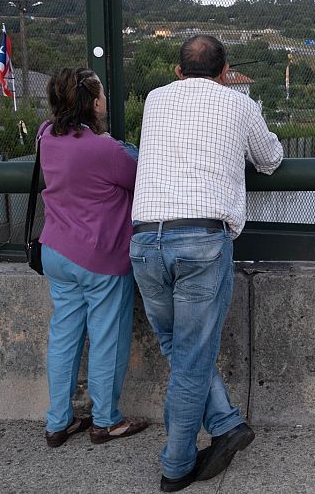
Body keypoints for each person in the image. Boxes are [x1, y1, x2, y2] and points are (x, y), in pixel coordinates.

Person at [130, 35, 283, 491]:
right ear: (225, 71)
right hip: (200, 239)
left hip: (143, 240)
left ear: (178, 71)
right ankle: (176, 466)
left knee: (177, 347)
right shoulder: (237, 103)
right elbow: (271, 159)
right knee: (192, 357)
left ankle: (227, 423)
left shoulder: (155, 99)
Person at [40, 67, 148, 448]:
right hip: (100, 257)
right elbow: (139, 172)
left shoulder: (45, 136)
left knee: (64, 336)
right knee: (106, 337)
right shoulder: (104, 149)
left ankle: (58, 423)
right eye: (101, 93)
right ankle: (105, 421)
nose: (104, 101)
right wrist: (122, 145)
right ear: (93, 101)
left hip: (55, 251)